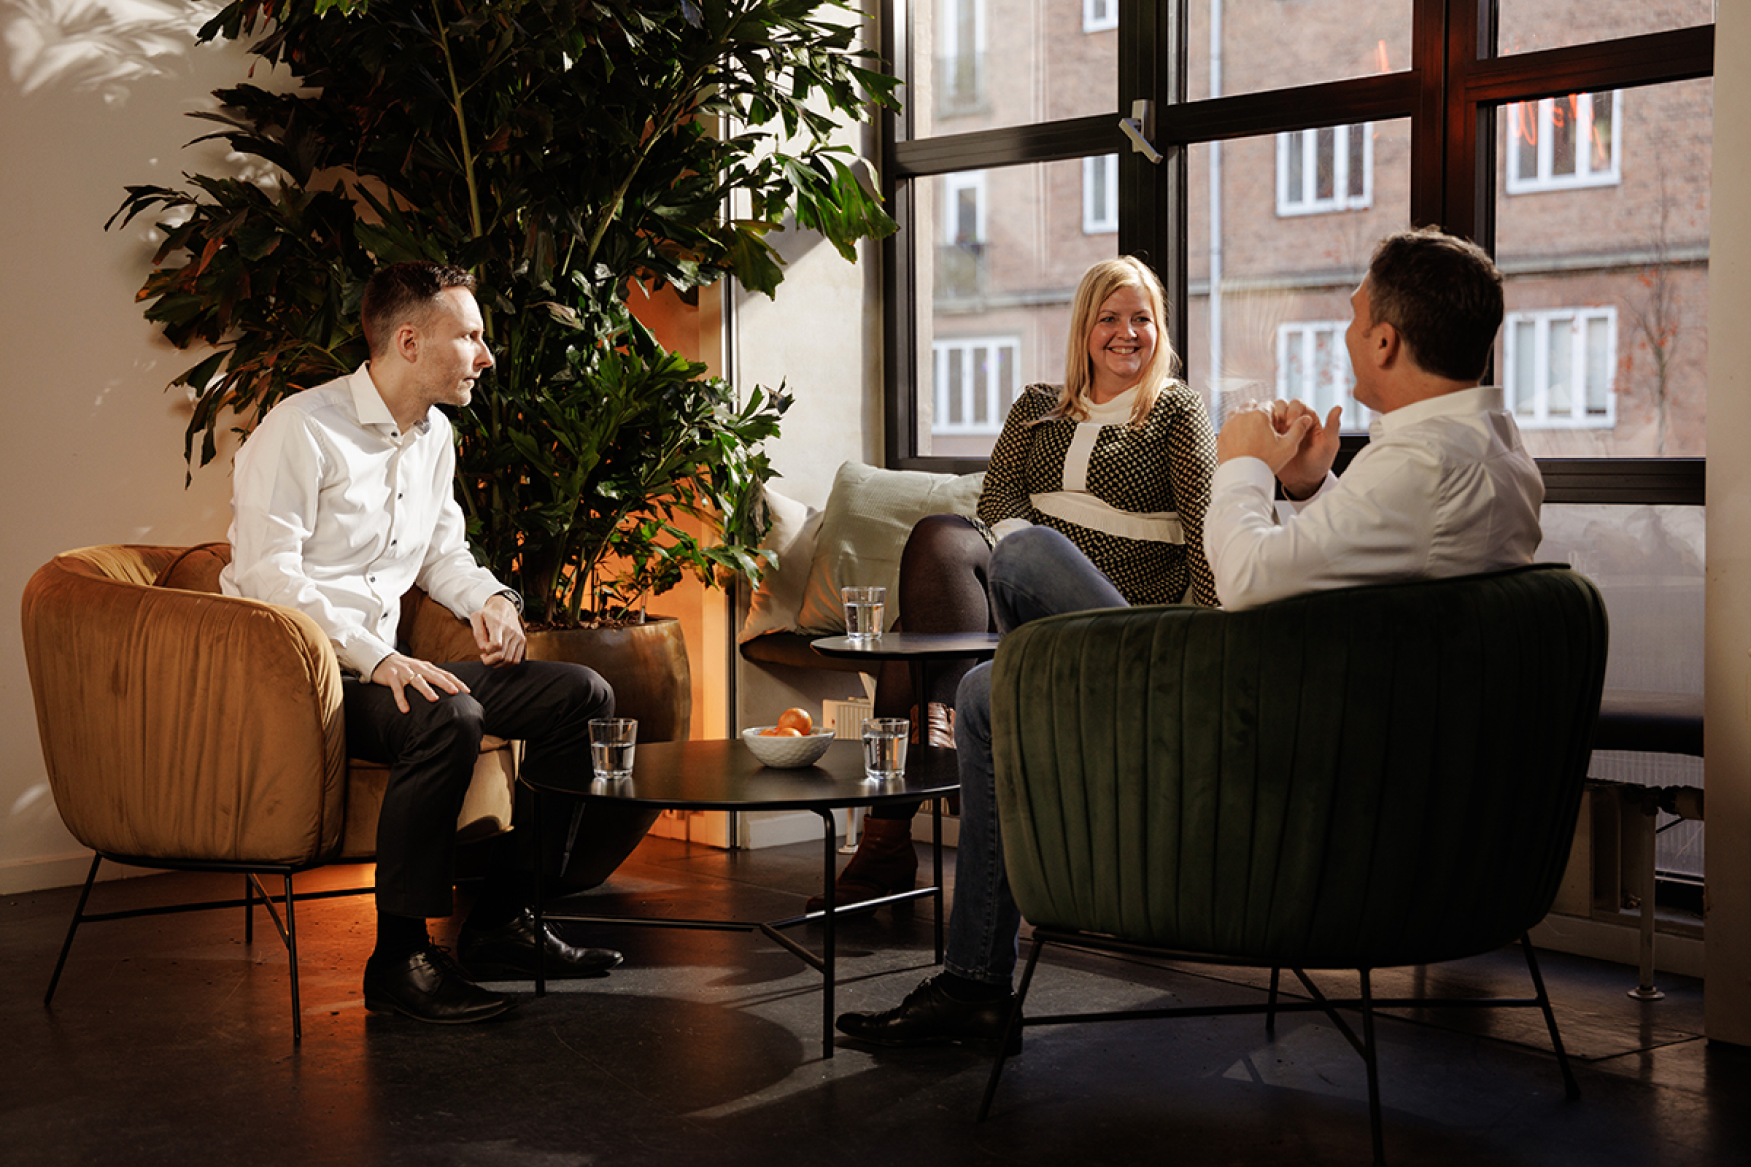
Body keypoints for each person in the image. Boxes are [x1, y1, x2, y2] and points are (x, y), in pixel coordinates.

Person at [835, 226, 1542, 1052]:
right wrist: (1311, 484)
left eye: (1354, 319)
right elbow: (1378, 557)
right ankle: (975, 946)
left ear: (1385, 339)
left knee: (1004, 638)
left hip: (1247, 709)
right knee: (993, 674)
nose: (1348, 335)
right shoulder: (1487, 456)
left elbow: (1240, 581)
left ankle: (975, 974)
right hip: (1338, 718)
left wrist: (1242, 463)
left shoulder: (1415, 465)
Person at [222, 261, 625, 1025]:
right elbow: (268, 578)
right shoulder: (299, 430)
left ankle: (503, 921)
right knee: (450, 715)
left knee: (581, 696)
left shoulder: (432, 433)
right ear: (409, 341)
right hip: (305, 682)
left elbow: (444, 552)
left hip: (384, 667)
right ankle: (398, 958)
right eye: (469, 335)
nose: (485, 353)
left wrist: (492, 600)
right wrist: (379, 658)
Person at [811, 256, 1219, 914]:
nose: (1126, 332)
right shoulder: (1036, 405)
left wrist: (1209, 635)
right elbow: (1000, 489)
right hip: (1018, 596)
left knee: (902, 643)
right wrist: (1016, 559)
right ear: (1083, 328)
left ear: (1159, 327)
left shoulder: (1177, 411)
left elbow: (1204, 523)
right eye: (1108, 318)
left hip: (1114, 612)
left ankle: (887, 835)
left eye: (1141, 318)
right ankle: (935, 736)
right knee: (941, 537)